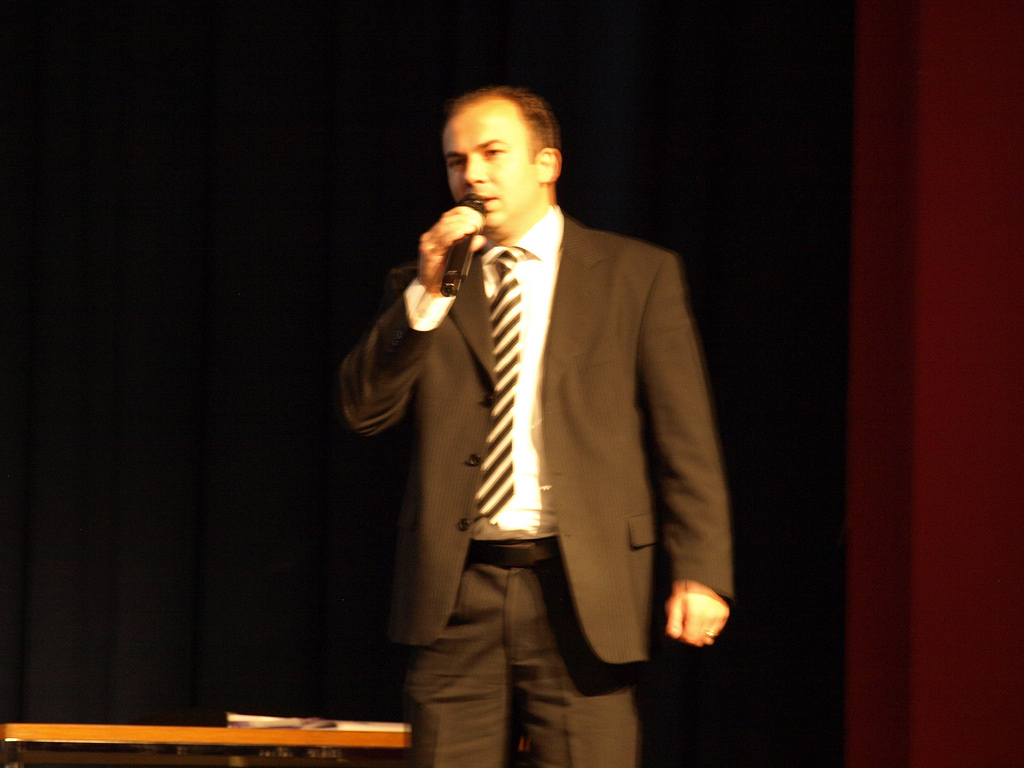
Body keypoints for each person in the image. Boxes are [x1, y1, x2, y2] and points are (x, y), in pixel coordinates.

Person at [339, 85, 733, 768]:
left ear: (546, 163)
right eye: (457, 161)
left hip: (583, 591)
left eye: (493, 153)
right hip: (457, 593)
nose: (473, 175)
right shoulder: (422, 283)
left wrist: (700, 571)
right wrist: (426, 295)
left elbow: (685, 438)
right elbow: (364, 409)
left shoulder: (636, 275)